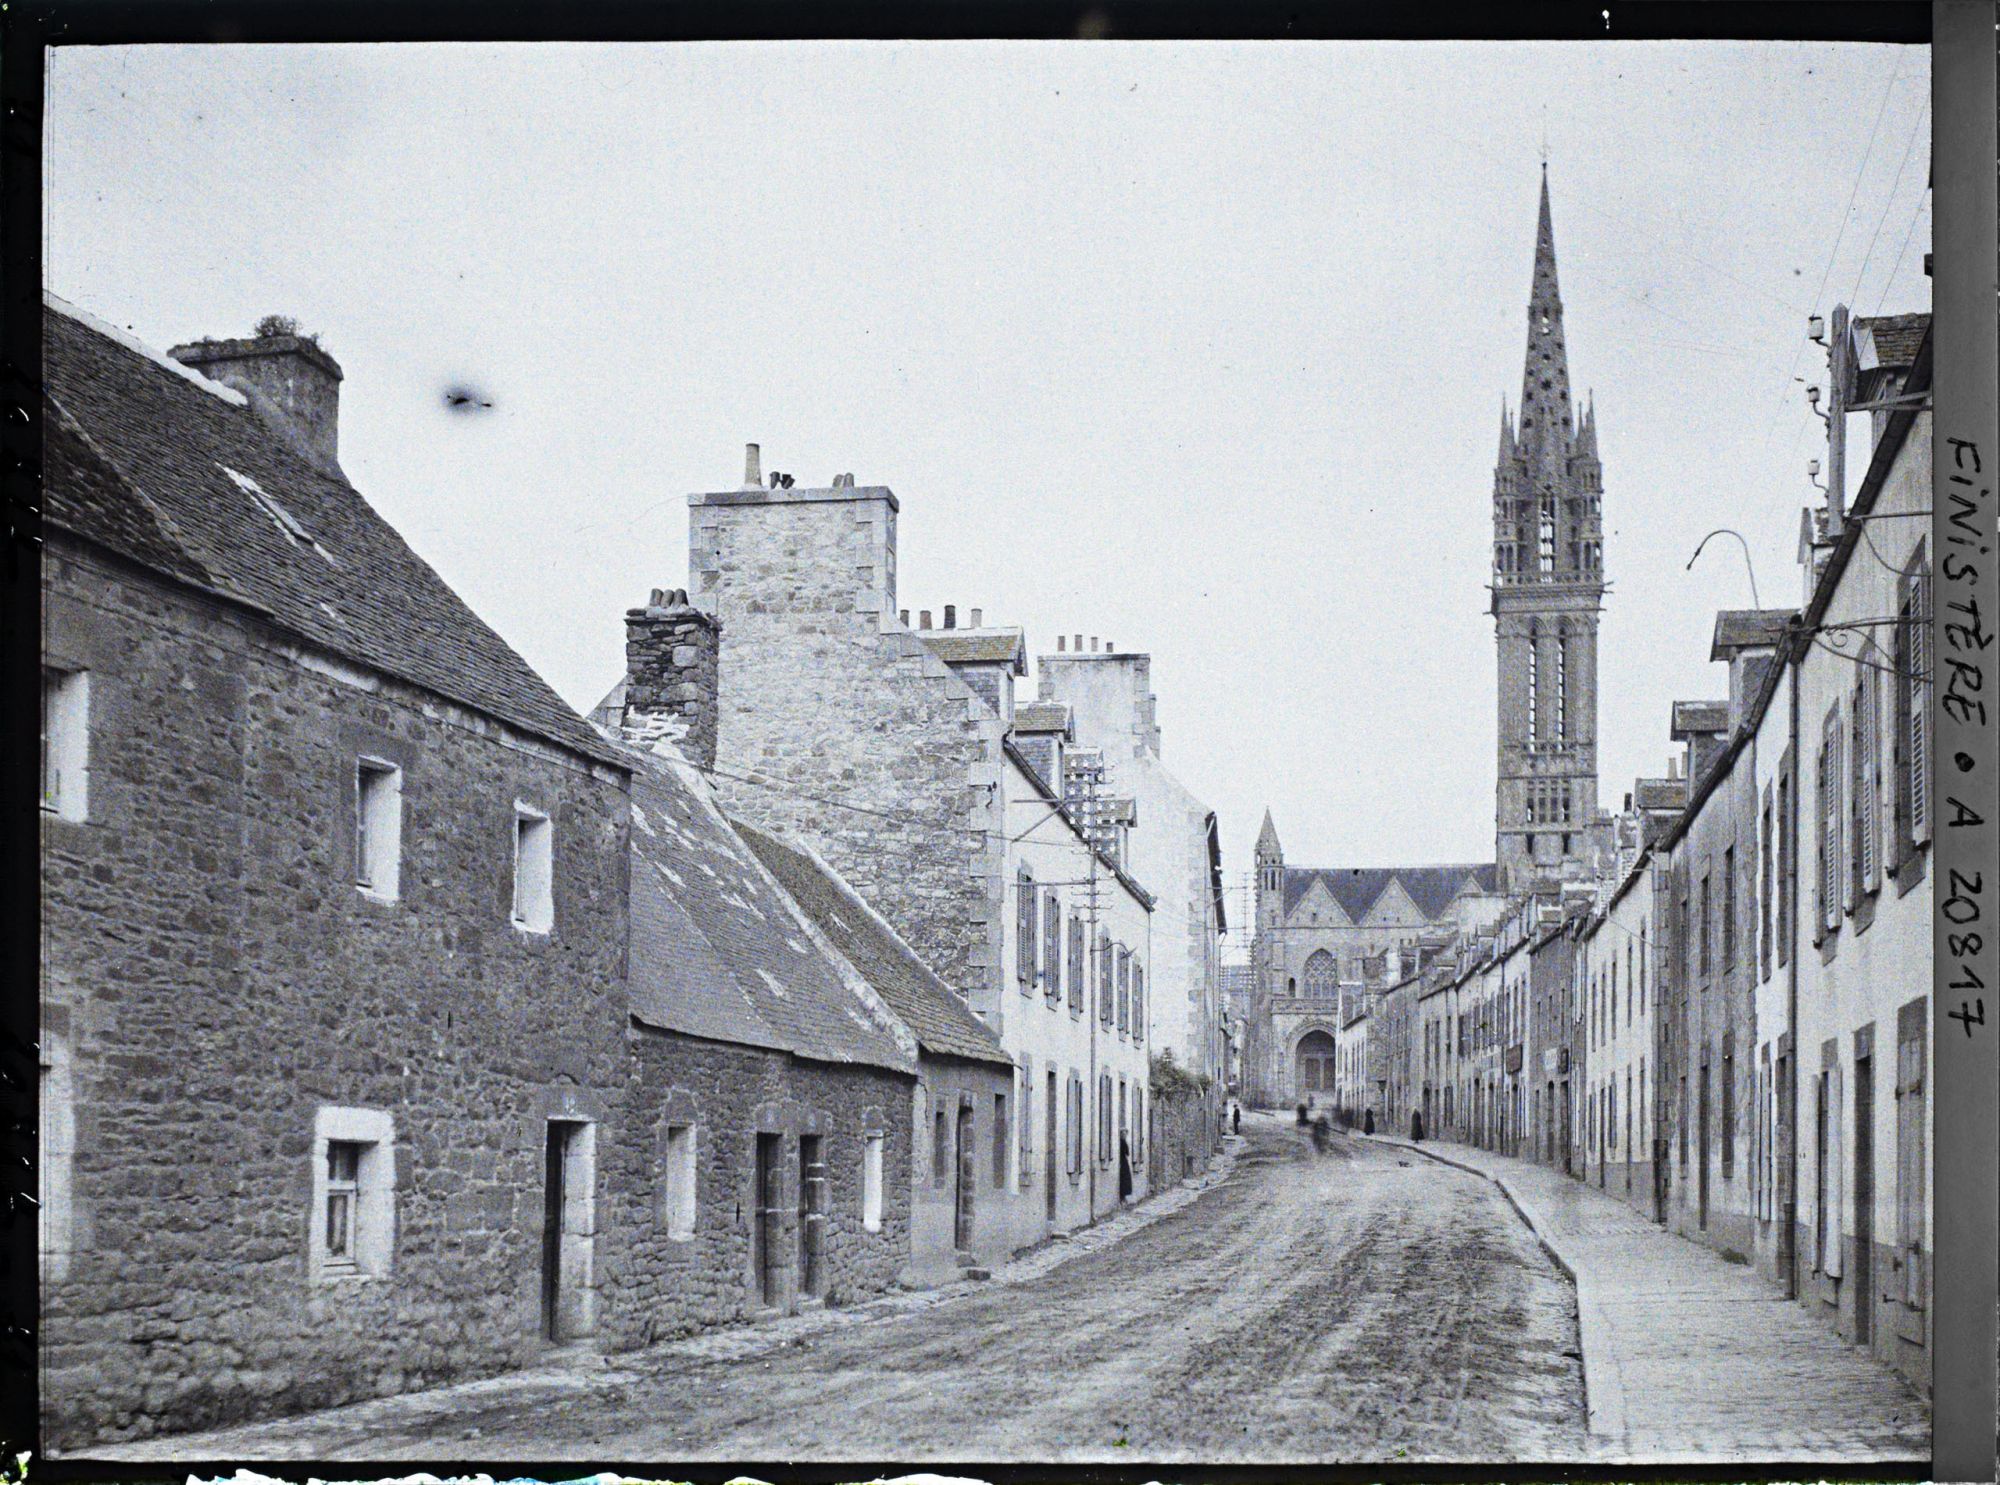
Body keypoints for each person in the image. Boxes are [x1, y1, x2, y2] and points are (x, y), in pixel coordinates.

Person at [1118, 1134, 1134, 1203]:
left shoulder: (1121, 1141)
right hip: (1123, 1162)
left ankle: (1123, 1197)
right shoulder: (1123, 1142)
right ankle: (1123, 1196)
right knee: (1124, 1179)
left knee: (1124, 1179)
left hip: (1122, 1162)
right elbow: (1127, 1152)